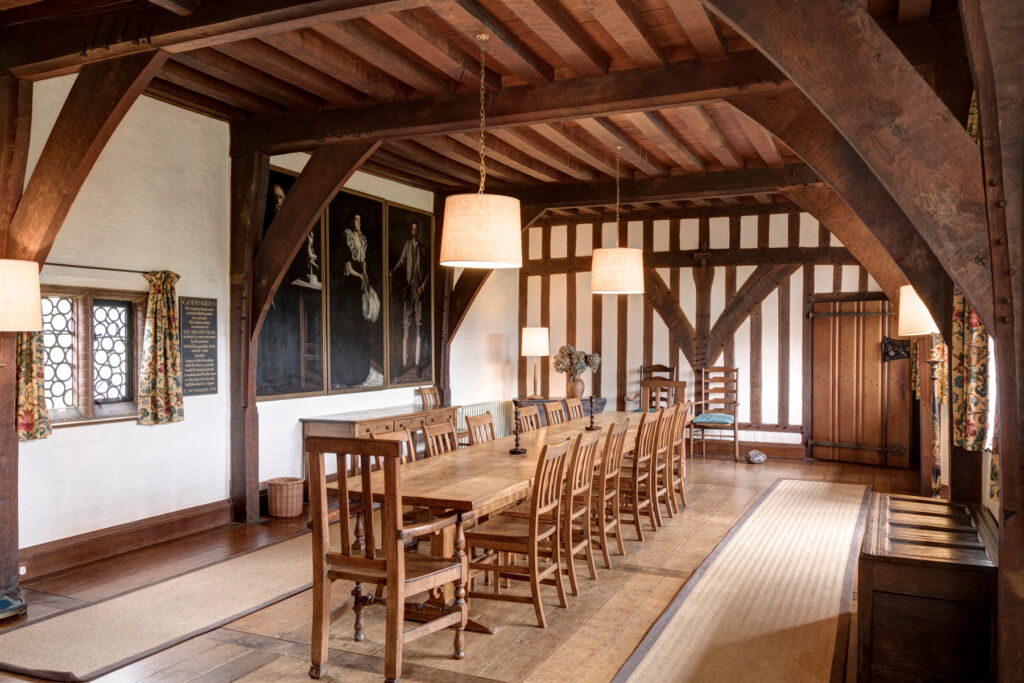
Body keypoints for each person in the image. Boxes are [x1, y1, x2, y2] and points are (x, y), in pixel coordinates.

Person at [389, 220, 429, 371]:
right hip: (408, 291)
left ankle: (418, 362)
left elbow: (429, 271)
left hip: (418, 291)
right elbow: (401, 261)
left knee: (419, 325)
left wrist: (423, 286)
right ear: (411, 231)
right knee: (406, 324)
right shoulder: (407, 245)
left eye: (416, 229)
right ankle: (404, 361)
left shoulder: (423, 249)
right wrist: (393, 270)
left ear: (419, 232)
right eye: (412, 229)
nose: (414, 232)